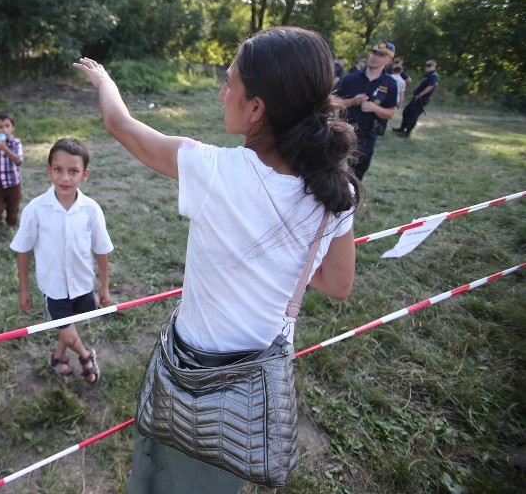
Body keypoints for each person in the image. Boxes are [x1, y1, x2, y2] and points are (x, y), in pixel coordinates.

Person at [74, 26, 359, 493]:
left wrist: (105, 80)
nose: (223, 91)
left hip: (185, 372)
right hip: (245, 401)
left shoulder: (214, 171)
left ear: (256, 109)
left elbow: (120, 125)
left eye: (232, 82)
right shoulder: (337, 191)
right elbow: (338, 283)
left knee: (157, 471)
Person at [9, 138, 112, 385]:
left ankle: (57, 358)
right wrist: (23, 289)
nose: (65, 178)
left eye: (73, 171)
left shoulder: (91, 210)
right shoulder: (36, 210)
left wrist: (105, 285)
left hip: (83, 284)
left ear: (84, 175)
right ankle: (86, 355)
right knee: (66, 327)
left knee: (69, 327)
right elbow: (22, 249)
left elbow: (101, 249)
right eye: (58, 170)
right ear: (49, 170)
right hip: (54, 287)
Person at [335, 41, 399, 180]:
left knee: (357, 175)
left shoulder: (390, 84)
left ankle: (352, 200)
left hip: (367, 135)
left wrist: (374, 108)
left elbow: (391, 112)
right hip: (344, 131)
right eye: (374, 53)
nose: (375, 57)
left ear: (388, 60)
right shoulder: (351, 78)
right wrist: (352, 101)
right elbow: (334, 103)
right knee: (335, 171)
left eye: (381, 55)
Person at [392, 59, 439, 138]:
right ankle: (402, 129)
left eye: (429, 66)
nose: (426, 67)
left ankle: (407, 133)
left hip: (422, 99)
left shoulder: (434, 76)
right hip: (416, 98)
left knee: (413, 115)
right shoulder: (428, 75)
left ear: (433, 67)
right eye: (426, 65)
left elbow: (430, 87)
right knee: (406, 111)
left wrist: (420, 94)